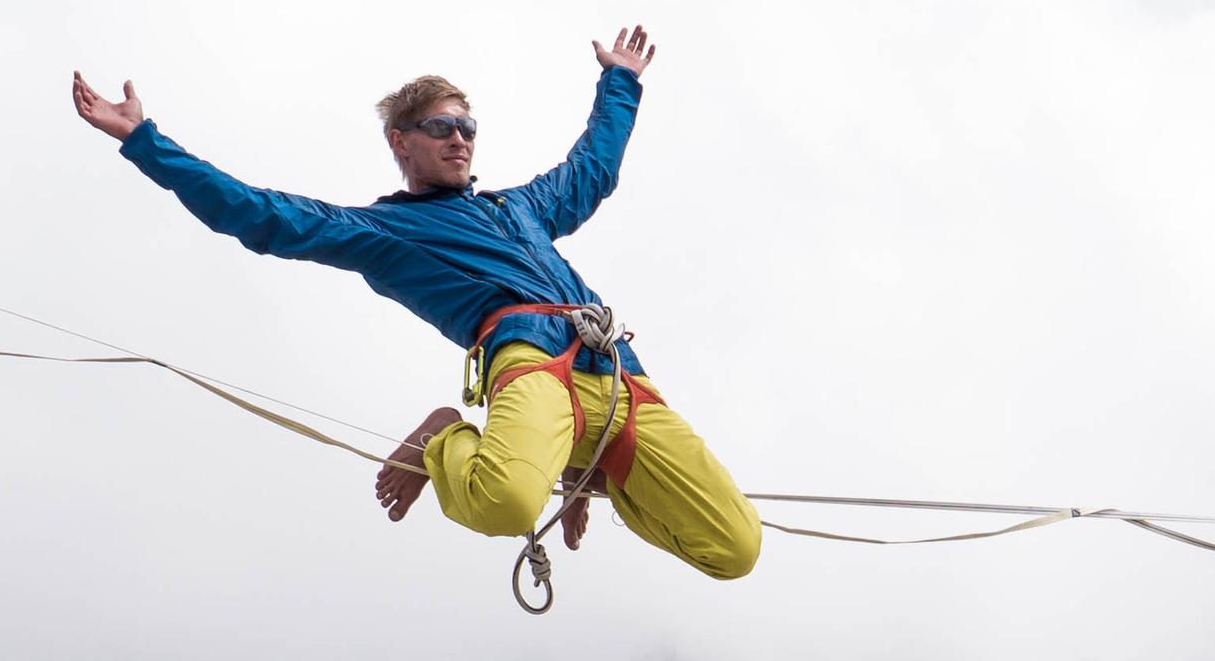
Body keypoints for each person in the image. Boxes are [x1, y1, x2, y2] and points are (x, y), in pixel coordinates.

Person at [69, 31, 762, 586]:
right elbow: (262, 215)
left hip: (617, 373)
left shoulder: (520, 208)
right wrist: (145, 142)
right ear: (401, 142)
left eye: (467, 126)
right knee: (505, 502)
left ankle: (585, 466)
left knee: (735, 549)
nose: (460, 138)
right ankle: (445, 438)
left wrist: (621, 81)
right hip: (533, 365)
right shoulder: (386, 232)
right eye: (440, 127)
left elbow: (591, 170)